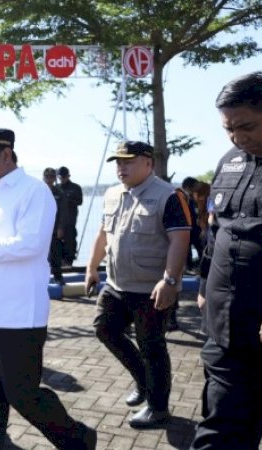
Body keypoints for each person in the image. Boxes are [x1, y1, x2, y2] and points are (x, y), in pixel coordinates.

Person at [0, 128, 96, 450]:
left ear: (6, 153)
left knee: (22, 392)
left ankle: (78, 438)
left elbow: (29, 245)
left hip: (17, 312)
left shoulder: (34, 191)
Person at [85, 141, 191, 428]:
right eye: (118, 162)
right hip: (117, 284)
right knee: (105, 329)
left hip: (151, 288)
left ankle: (158, 409)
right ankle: (144, 381)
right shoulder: (111, 194)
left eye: (128, 161)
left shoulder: (169, 195)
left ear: (148, 162)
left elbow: (180, 240)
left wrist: (169, 280)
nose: (121, 167)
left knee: (152, 346)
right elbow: (102, 234)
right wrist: (92, 268)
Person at [190, 71, 262, 450]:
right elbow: (215, 231)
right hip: (229, 332)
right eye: (229, 129)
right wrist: (204, 287)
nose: (238, 137)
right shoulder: (230, 162)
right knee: (219, 435)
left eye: (247, 126)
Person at [57, 166, 83, 266]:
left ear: (68, 176)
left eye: (64, 177)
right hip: (58, 223)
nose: (62, 179)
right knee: (57, 247)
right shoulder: (57, 188)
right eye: (60, 177)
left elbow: (80, 201)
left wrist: (68, 199)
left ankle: (68, 263)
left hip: (70, 222)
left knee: (70, 244)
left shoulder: (75, 188)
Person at [43, 167, 65, 284]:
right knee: (41, 255)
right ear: (44, 178)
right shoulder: (39, 191)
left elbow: (62, 212)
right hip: (41, 229)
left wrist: (61, 227)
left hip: (55, 229)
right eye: (47, 177)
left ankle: (58, 277)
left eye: (52, 177)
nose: (49, 179)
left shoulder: (59, 192)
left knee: (56, 254)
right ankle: (42, 279)